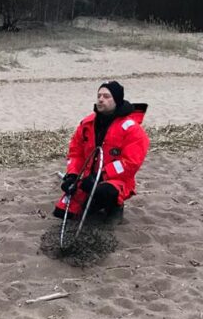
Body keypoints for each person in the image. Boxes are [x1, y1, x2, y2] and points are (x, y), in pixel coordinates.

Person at [53, 81, 150, 223]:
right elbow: (76, 152)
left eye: (106, 96)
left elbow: (130, 163)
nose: (100, 99)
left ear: (117, 100)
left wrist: (101, 176)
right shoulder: (87, 124)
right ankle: (92, 202)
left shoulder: (132, 129)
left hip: (116, 180)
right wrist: (72, 176)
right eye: (99, 95)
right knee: (62, 213)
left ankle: (115, 207)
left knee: (103, 193)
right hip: (87, 177)